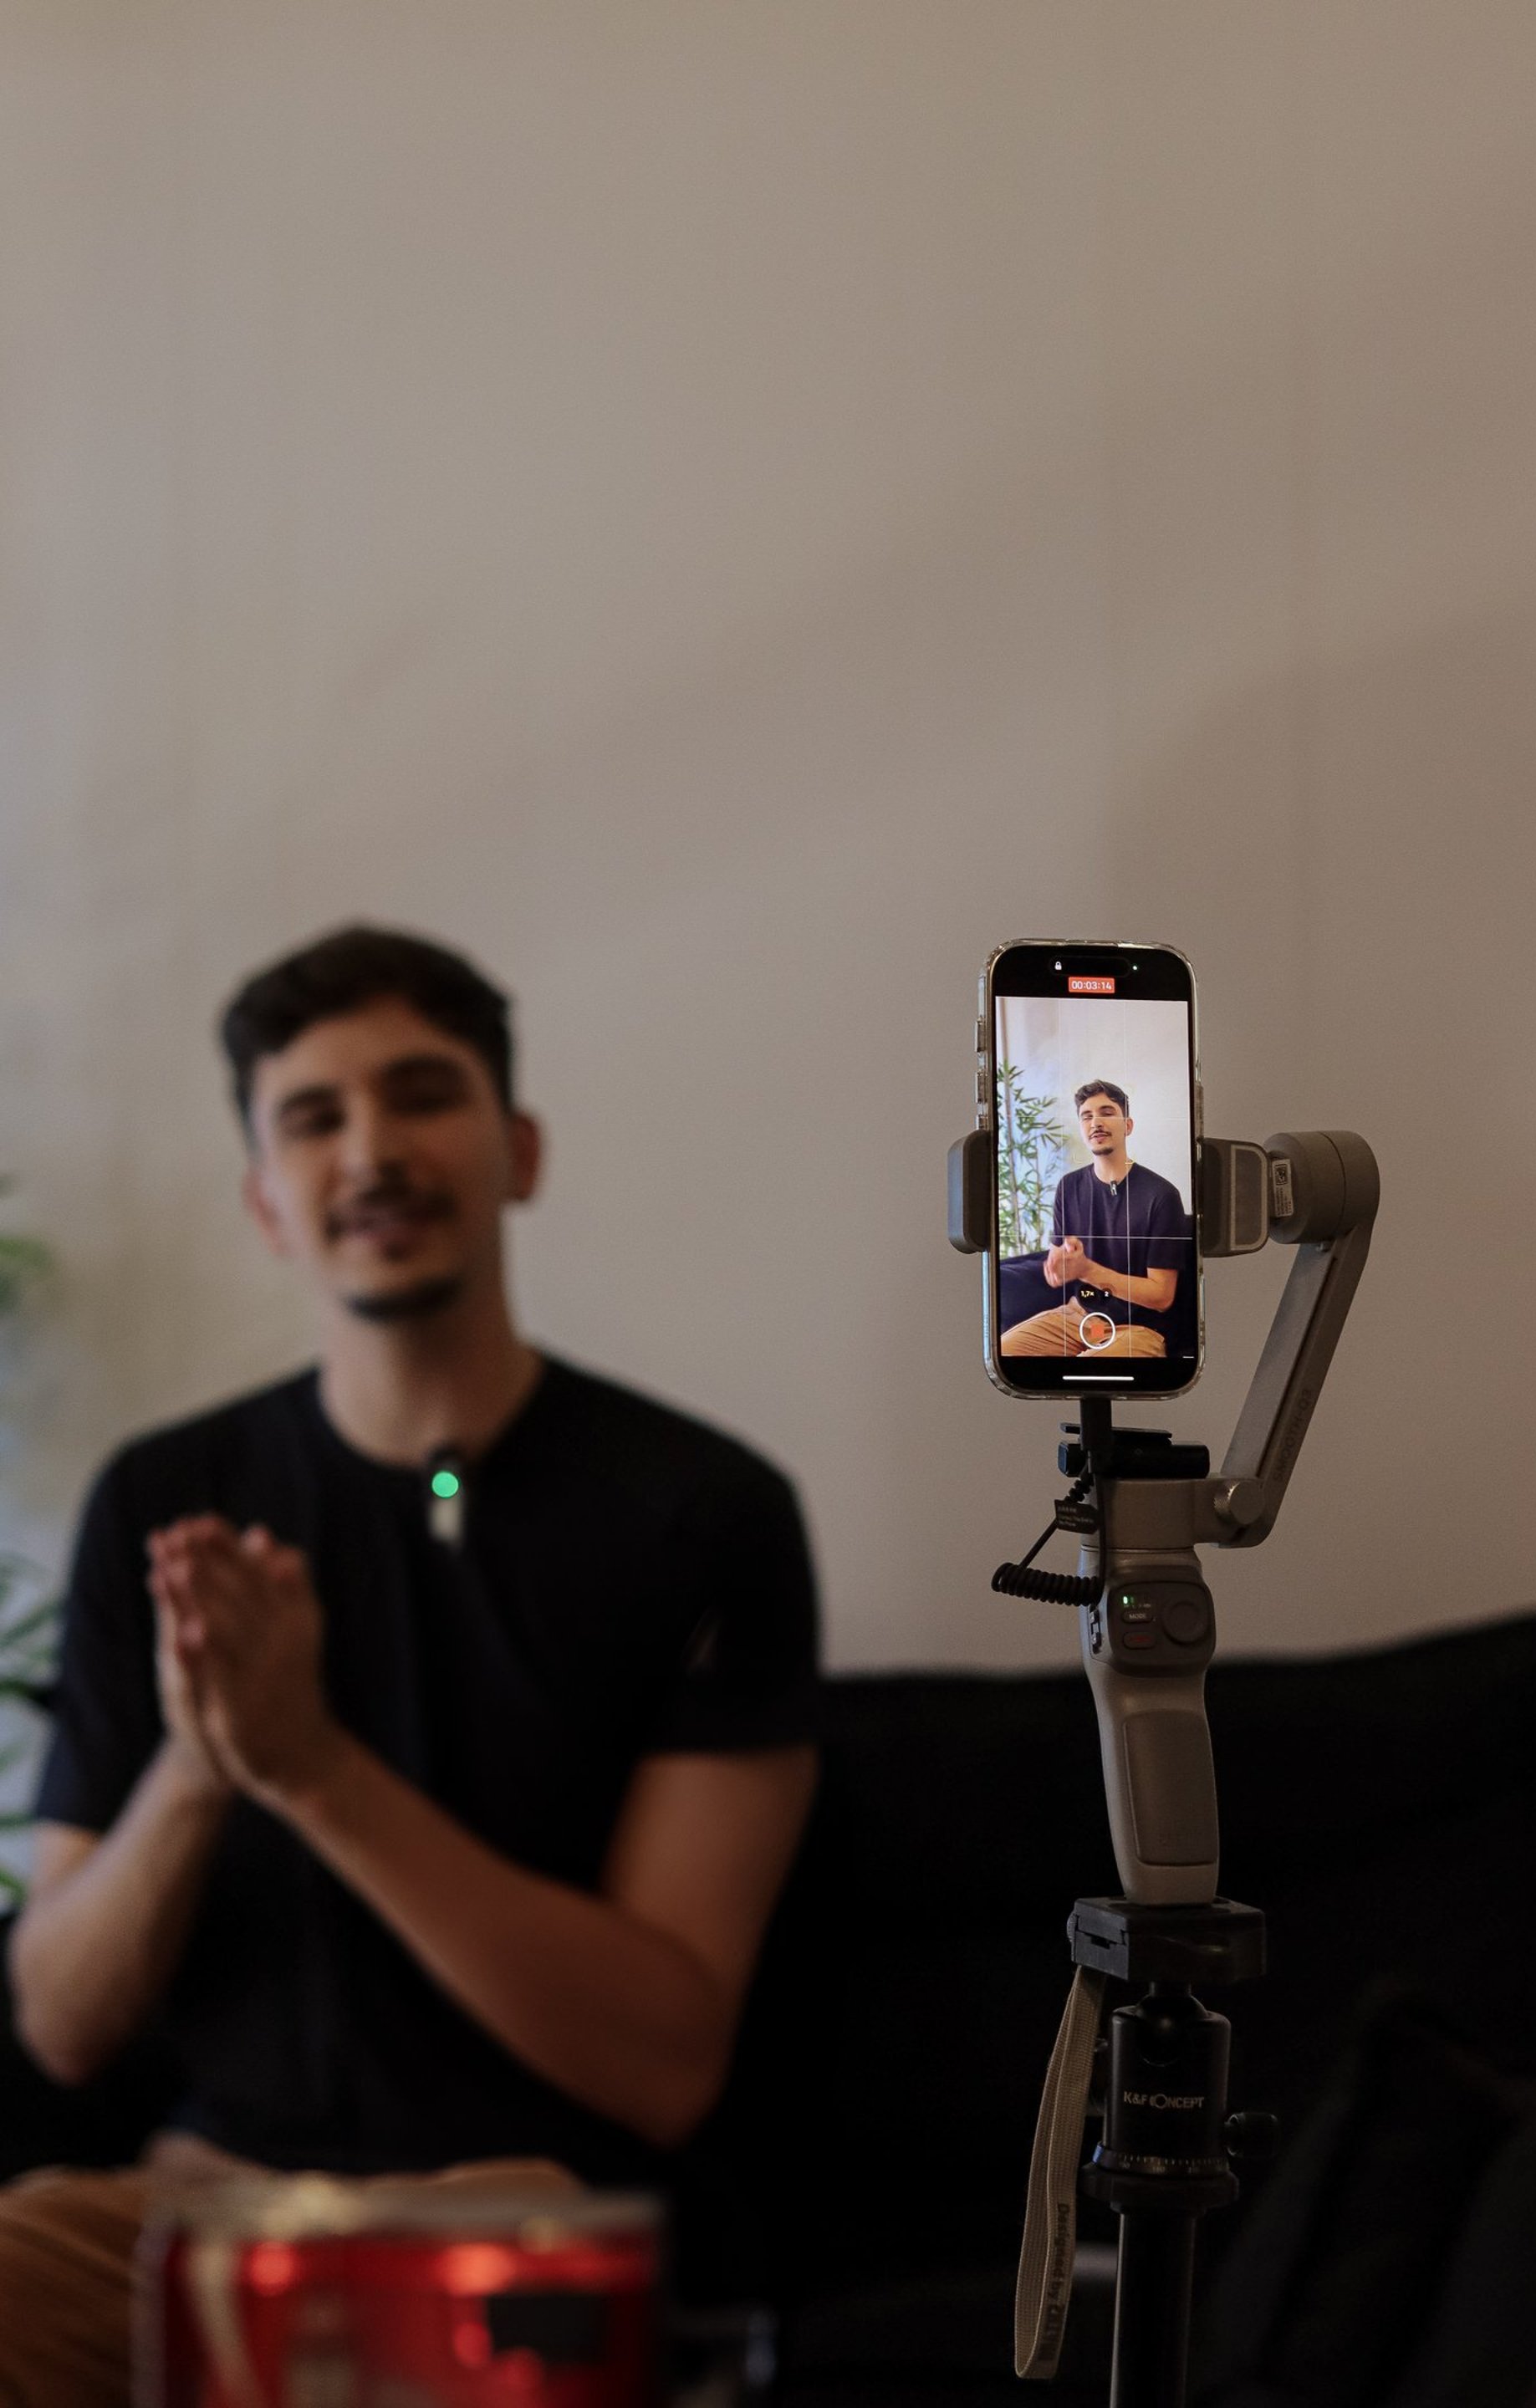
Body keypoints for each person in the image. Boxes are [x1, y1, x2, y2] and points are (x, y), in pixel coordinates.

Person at [1, 926, 819, 2405]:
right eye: (313, 1119)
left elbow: (665, 2061)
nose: (371, 1150)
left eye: (421, 1095)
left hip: (520, 2228)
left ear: (519, 1151)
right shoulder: (164, 1500)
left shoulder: (704, 1513)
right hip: (191, 2215)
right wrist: (205, 1758)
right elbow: (59, 2020)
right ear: (266, 1202)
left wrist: (313, 1770)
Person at [999, 1079, 1189, 1358]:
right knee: (1002, 1351)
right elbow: (1057, 1270)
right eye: (1086, 1116)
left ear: (1128, 1125)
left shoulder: (1161, 1195)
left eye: (1107, 1112)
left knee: (1089, 1367)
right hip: (1079, 1316)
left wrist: (1086, 1269)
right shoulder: (1068, 1187)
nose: (1096, 1122)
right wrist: (1060, 1264)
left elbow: (1162, 1297)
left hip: (1139, 1328)